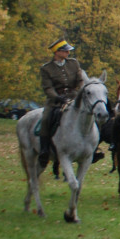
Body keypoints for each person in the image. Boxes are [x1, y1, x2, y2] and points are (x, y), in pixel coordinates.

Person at [38, 38, 85, 167]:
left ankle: (93, 147)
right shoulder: (46, 68)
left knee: (89, 113)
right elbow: (48, 88)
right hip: (56, 100)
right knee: (46, 119)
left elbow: (80, 80)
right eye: (65, 51)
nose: (68, 53)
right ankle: (44, 150)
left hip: (73, 96)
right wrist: (58, 98)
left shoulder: (73, 63)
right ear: (57, 52)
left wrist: (82, 91)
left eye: (68, 51)